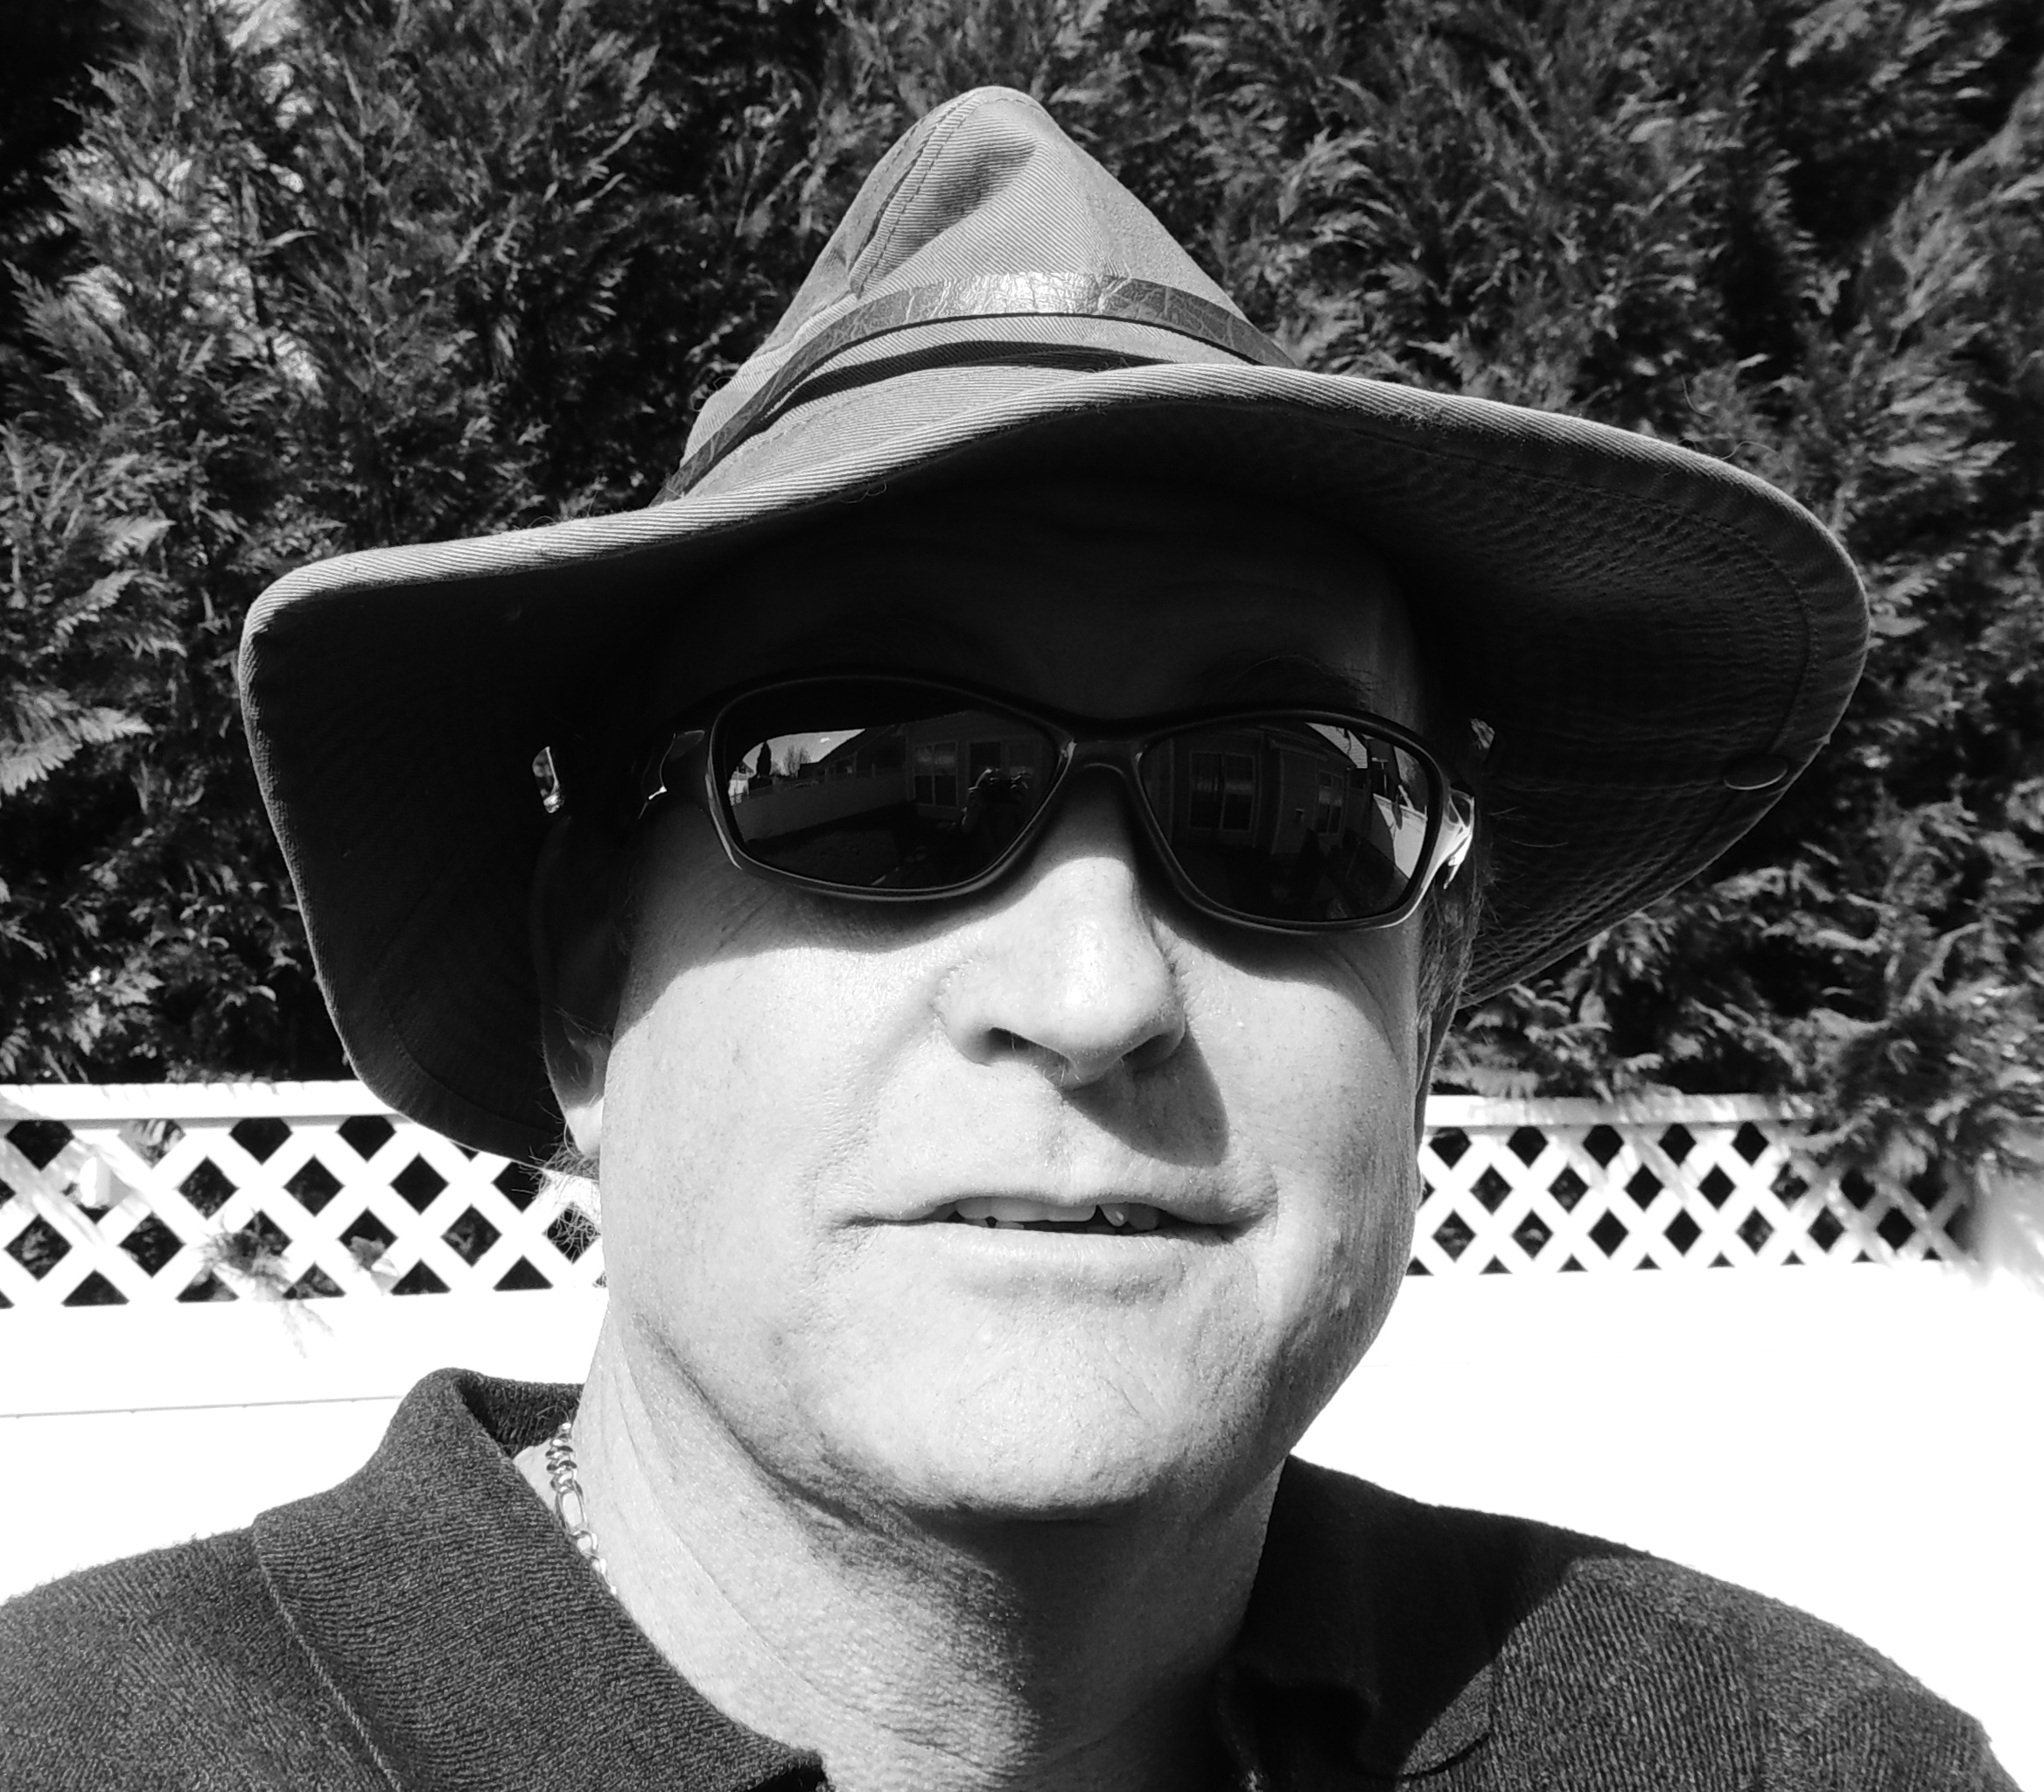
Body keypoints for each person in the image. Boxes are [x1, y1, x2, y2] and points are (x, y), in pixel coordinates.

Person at [0, 86, 2017, 1792]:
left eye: (1288, 806)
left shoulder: (1779, 1755)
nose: (1093, 990)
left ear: (1425, 994)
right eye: (875, 783)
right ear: (591, 979)